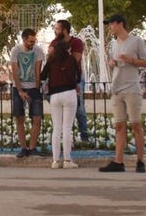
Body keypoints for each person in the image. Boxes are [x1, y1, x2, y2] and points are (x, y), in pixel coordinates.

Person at [98, 13, 146, 173]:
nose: (110, 27)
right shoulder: (114, 44)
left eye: (111, 24)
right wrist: (112, 63)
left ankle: (140, 161)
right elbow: (113, 62)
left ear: (120, 24)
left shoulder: (136, 41)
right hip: (117, 88)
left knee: (136, 124)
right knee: (119, 126)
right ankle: (118, 161)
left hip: (131, 89)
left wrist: (131, 60)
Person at [43, 37, 80, 169]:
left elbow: (42, 75)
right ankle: (67, 160)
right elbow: (78, 74)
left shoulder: (51, 60)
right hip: (69, 93)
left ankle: (55, 161)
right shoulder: (71, 59)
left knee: (56, 128)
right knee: (67, 128)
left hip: (55, 95)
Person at [9, 28, 45, 158]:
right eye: (30, 41)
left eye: (34, 41)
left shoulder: (38, 51)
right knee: (19, 118)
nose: (32, 44)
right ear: (24, 40)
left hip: (33, 88)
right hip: (19, 87)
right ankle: (23, 148)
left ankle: (32, 147)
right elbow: (14, 71)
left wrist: (37, 89)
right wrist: (20, 90)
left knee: (37, 118)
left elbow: (37, 70)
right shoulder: (16, 51)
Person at [52, 20, 89, 142]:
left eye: (57, 29)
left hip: (74, 78)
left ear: (64, 30)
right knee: (63, 108)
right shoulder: (54, 42)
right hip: (60, 80)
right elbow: (50, 58)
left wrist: (59, 54)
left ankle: (84, 135)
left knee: (79, 106)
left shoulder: (76, 42)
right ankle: (69, 136)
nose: (55, 31)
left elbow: (74, 60)